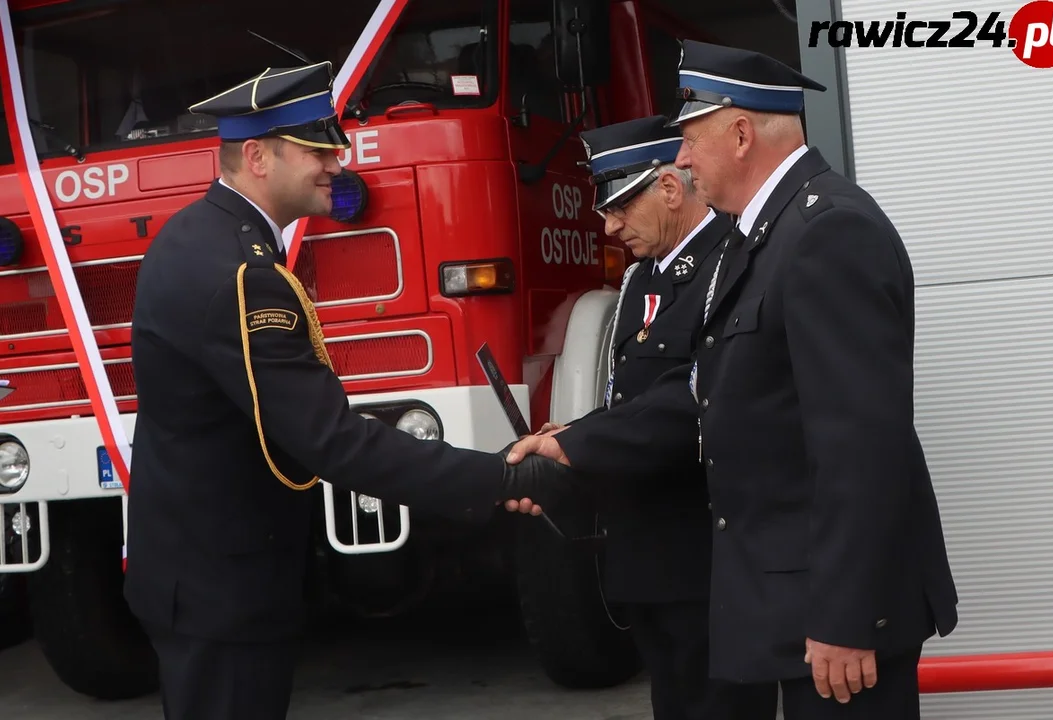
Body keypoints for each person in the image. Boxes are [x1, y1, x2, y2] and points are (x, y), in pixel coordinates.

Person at [506, 41, 959, 720]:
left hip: (836, 621)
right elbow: (722, 398)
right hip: (790, 605)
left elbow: (861, 448)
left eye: (689, 137)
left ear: (740, 133)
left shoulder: (826, 233)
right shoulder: (764, 240)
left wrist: (845, 617)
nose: (681, 159)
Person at [125, 61, 574, 720]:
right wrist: (508, 480)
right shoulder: (241, 274)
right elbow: (334, 444)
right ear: (256, 156)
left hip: (204, 576)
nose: (337, 163)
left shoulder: (200, 238)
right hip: (222, 588)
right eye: (316, 150)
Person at [540, 115, 743, 720]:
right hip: (646, 553)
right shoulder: (637, 280)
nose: (608, 226)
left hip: (702, 557)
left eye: (620, 209)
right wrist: (574, 435)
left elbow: (694, 402)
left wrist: (581, 441)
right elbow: (625, 398)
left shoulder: (729, 265)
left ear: (671, 190)